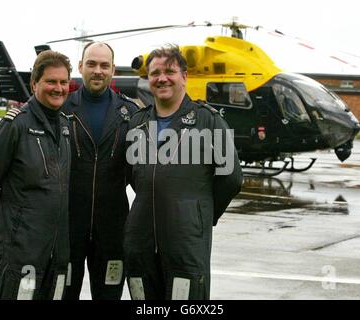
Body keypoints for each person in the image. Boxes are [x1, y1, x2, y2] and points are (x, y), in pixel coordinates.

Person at [124, 45, 243, 300]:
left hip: (186, 241)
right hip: (141, 240)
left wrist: (199, 212)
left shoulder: (208, 121)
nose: (162, 78)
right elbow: (134, 177)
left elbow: (231, 178)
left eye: (170, 71)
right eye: (155, 73)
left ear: (184, 77)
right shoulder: (137, 123)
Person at [0, 50, 72, 300]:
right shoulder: (15, 125)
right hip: (20, 249)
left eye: (63, 82)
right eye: (51, 81)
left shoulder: (65, 125)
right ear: (34, 83)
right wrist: (11, 217)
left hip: (55, 250)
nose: (58, 88)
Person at [63, 41, 138, 300]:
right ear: (81, 66)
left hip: (113, 227)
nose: (98, 70)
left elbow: (141, 171)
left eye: (104, 65)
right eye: (92, 64)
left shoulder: (131, 114)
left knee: (109, 295)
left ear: (113, 69)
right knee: (64, 293)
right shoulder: (61, 109)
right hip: (68, 224)